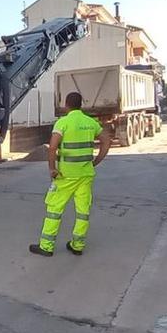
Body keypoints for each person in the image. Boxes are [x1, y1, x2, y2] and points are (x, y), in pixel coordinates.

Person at [29, 92, 112, 257]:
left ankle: (46, 246)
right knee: (83, 211)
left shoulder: (63, 122)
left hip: (66, 175)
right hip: (86, 174)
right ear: (81, 104)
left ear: (66, 104)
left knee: (55, 209)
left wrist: (52, 168)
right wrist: (96, 161)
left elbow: (52, 147)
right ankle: (78, 245)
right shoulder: (91, 123)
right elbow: (106, 141)